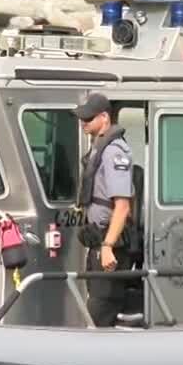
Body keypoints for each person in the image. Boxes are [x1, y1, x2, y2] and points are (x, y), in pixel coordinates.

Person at [74, 92, 135, 327]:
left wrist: (108, 246)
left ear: (104, 118)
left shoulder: (114, 153)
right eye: (82, 119)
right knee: (96, 301)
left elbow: (122, 206)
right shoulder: (99, 149)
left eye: (88, 119)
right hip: (98, 241)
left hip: (110, 245)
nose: (83, 123)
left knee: (101, 309)